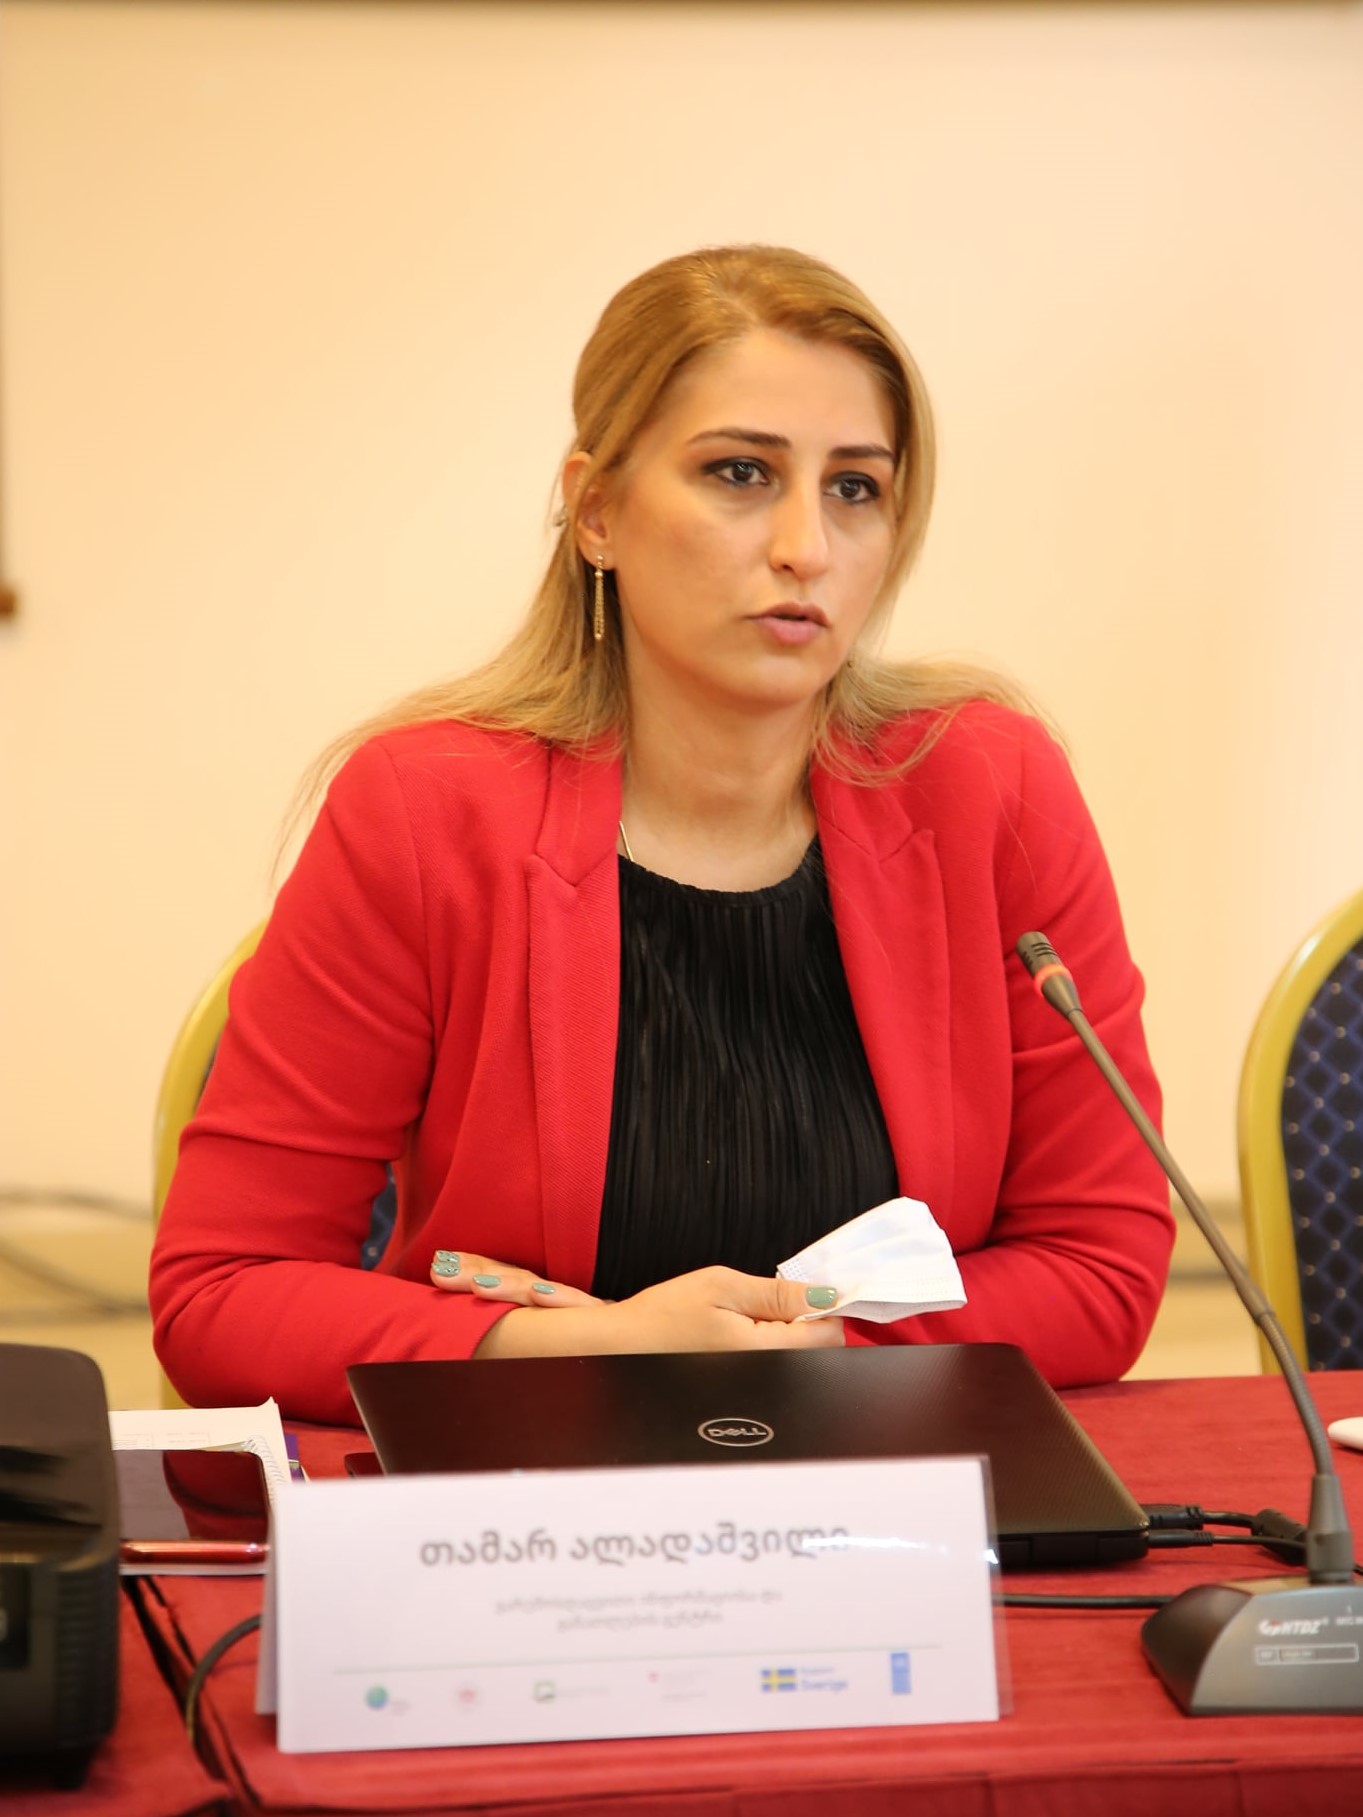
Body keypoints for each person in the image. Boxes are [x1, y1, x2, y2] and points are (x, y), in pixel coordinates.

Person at [150, 245, 1173, 1425]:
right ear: (596, 510)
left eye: (855, 487)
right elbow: (221, 1292)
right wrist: (584, 1347)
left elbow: (1101, 1262)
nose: (806, 546)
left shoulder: (987, 787)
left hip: (898, 1474)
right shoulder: (425, 812)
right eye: (740, 472)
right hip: (537, 1483)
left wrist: (815, 1349)